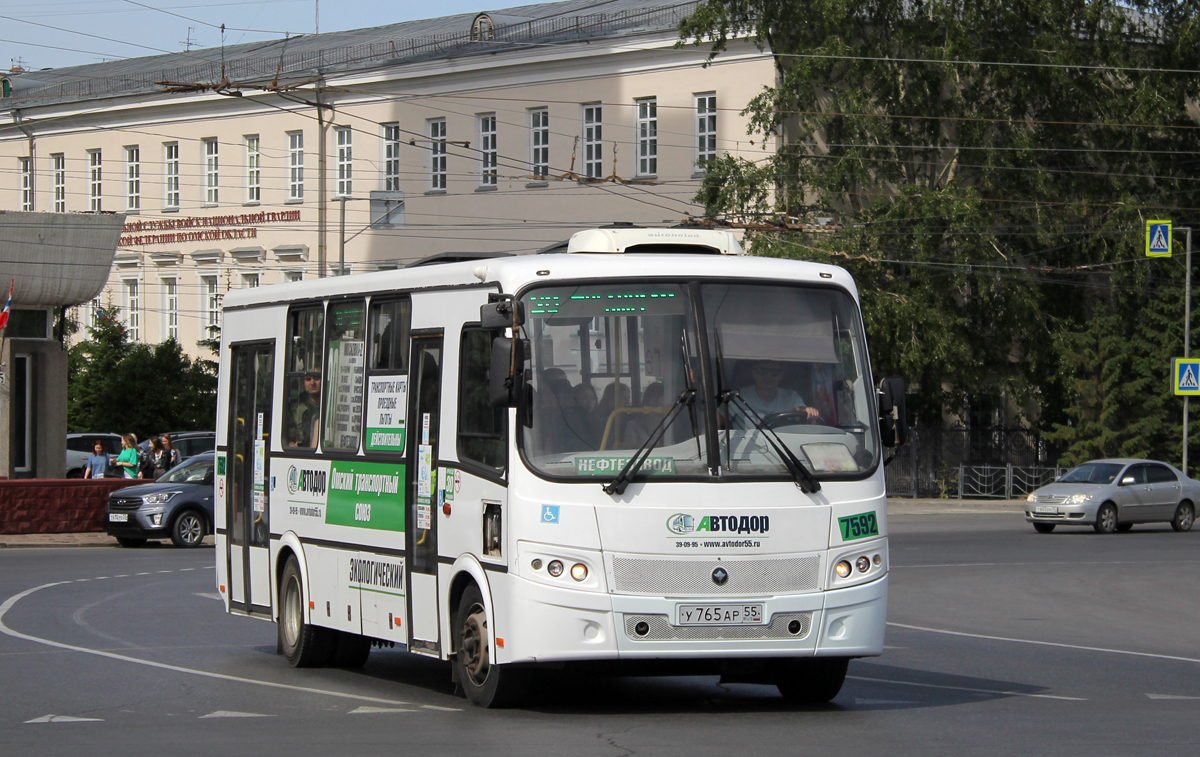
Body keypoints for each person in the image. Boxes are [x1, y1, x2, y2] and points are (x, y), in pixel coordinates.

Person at [729, 360, 818, 428]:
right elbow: (718, 424)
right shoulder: (736, 397)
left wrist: (808, 412)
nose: (767, 376)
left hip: (784, 448)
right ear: (754, 373)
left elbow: (800, 411)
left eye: (774, 372)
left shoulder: (791, 397)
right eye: (761, 370)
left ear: (781, 376)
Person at [289, 373, 321, 447]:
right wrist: (291, 445)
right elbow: (289, 437)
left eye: (316, 378)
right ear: (303, 383)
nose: (312, 383)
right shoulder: (295, 407)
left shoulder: (330, 405)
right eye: (308, 379)